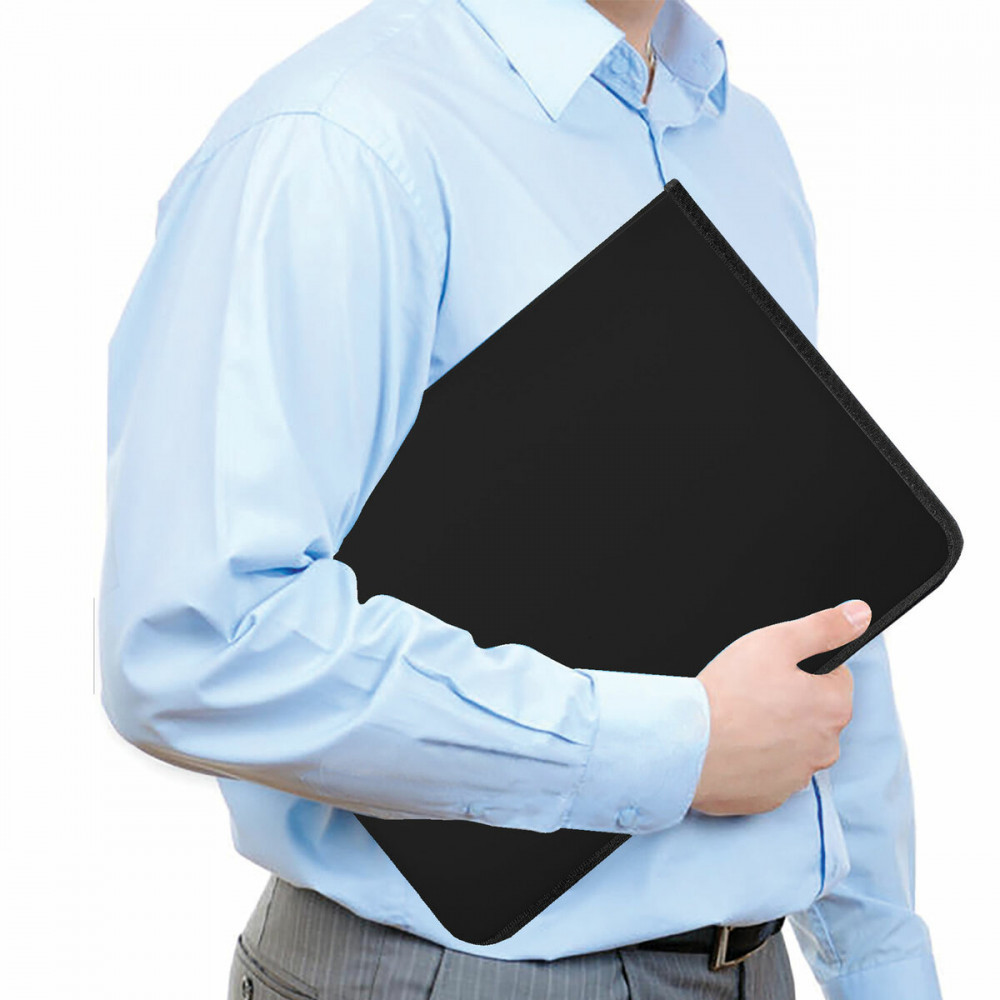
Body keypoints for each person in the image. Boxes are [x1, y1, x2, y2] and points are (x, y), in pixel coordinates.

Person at [98, 1, 943, 997]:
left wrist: (882, 967)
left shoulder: (741, 142)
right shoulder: (340, 136)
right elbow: (198, 644)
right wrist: (672, 748)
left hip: (755, 969)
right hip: (451, 974)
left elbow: (814, 595)